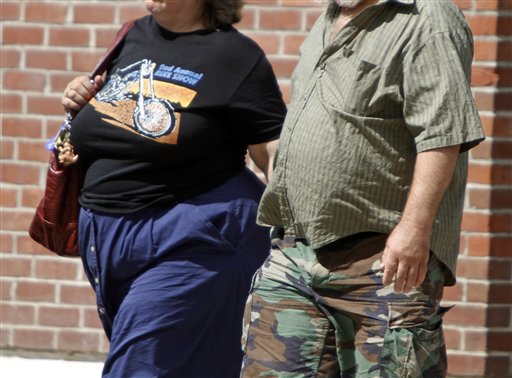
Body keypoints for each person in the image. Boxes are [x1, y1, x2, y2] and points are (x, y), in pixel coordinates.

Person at [240, 0, 485, 377]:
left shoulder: (427, 17)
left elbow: (441, 135)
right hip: (296, 252)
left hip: (384, 260)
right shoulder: (331, 16)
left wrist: (414, 230)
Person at [61, 0, 286, 376]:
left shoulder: (235, 55)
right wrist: (81, 99)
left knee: (140, 368)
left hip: (193, 238)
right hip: (109, 241)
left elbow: (273, 151)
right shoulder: (132, 35)